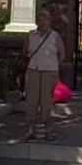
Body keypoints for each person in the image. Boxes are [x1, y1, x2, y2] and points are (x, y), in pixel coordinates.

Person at [20, 8, 65, 142]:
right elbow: (25, 52)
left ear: (49, 21)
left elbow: (62, 54)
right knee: (31, 101)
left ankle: (48, 131)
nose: (42, 22)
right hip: (33, 70)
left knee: (47, 103)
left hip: (49, 72)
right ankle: (30, 130)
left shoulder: (55, 36)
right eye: (40, 19)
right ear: (36, 22)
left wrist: (54, 66)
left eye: (45, 19)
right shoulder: (31, 35)